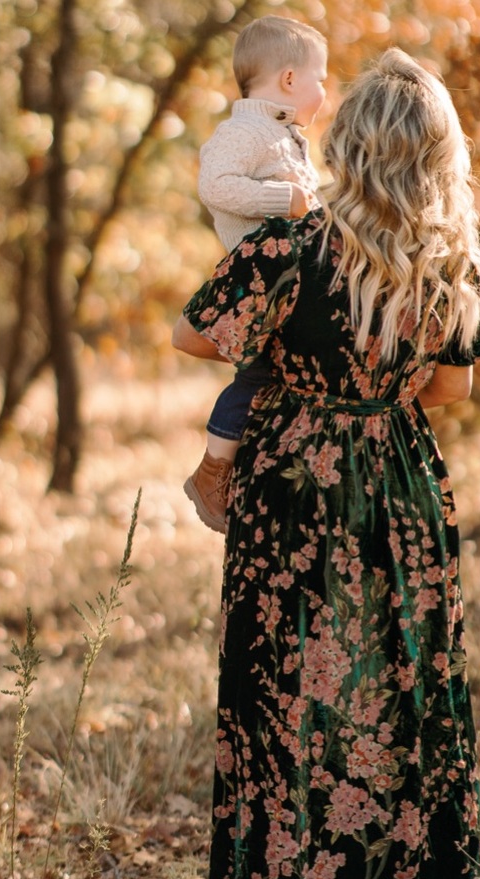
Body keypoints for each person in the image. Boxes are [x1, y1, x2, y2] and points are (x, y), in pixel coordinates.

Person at [172, 47, 480, 879]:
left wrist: (290, 366)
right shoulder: (453, 264)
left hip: (289, 488)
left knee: (281, 700)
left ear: (351, 147)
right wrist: (375, 387)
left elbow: (192, 333)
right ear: (439, 156)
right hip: (397, 486)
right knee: (401, 693)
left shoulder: (290, 247)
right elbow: (451, 388)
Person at [184, 15, 328, 533]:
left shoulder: (281, 134)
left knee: (281, 371)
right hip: (254, 280)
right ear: (289, 80)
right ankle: (213, 468)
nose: (324, 91)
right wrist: (281, 200)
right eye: (321, 78)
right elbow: (214, 186)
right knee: (258, 372)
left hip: (282, 280)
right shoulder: (244, 130)